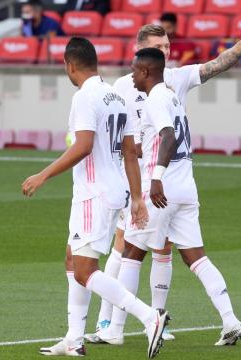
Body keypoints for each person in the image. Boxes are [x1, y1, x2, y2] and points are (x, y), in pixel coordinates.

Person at [86, 8, 241, 346]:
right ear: (141, 53)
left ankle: (120, 327)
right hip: (174, 182)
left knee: (131, 253)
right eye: (160, 46)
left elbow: (166, 134)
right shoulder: (126, 87)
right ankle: (229, 319)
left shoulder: (166, 85)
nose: (167, 51)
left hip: (156, 180)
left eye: (168, 45)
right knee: (188, 255)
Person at [22, 36, 169, 358]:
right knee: (73, 259)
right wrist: (137, 198)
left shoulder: (84, 97)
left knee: (85, 270)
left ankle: (149, 317)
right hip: (113, 189)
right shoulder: (116, 96)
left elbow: (83, 145)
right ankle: (74, 338)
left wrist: (42, 175)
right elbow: (131, 153)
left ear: (69, 65)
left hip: (94, 192)